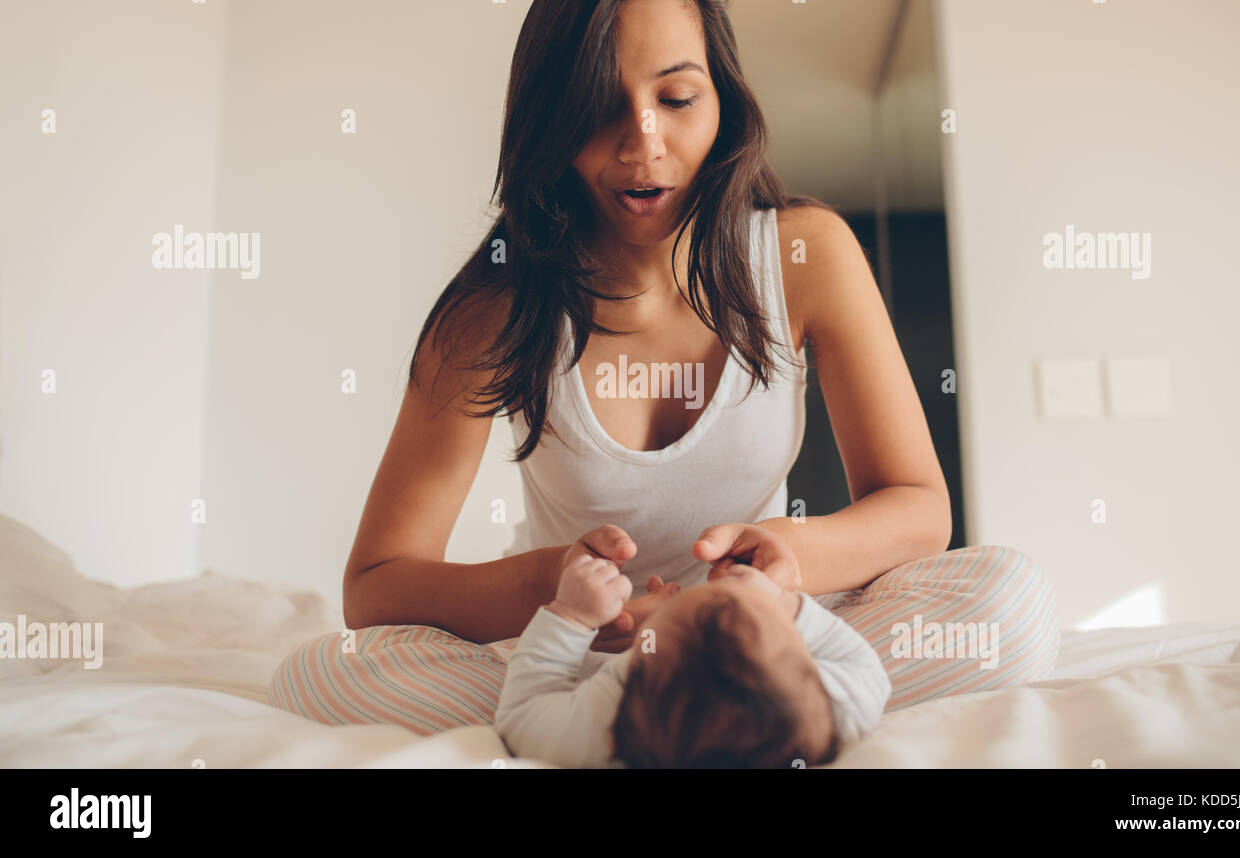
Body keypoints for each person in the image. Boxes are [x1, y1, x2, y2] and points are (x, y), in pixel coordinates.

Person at [269, 0, 1059, 746]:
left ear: (723, 100)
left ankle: (646, 724)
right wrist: (555, 591)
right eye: (597, 107)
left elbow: (918, 509)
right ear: (549, 118)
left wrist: (786, 562)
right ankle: (676, 718)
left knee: (1012, 605)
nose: (643, 142)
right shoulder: (495, 309)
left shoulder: (805, 254)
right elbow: (375, 586)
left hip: (765, 642)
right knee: (325, 673)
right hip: (585, 656)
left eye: (677, 98)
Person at [494, 554, 892, 769]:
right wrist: (784, 602)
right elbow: (864, 668)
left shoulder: (608, 722)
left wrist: (571, 616)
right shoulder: (827, 709)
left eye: (676, 605)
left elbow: (524, 711)